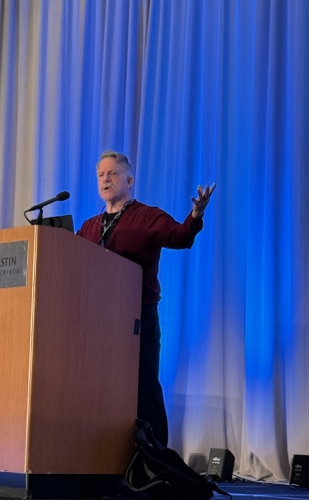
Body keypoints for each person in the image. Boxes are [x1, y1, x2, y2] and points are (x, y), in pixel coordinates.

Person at [77, 150, 216, 448]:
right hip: (99, 320)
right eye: (101, 175)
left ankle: (156, 456)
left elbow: (180, 237)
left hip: (137, 317)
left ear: (129, 180)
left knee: (144, 386)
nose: (105, 179)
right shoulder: (89, 227)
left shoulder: (147, 216)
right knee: (100, 387)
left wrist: (195, 216)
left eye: (112, 173)